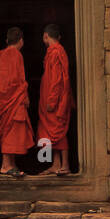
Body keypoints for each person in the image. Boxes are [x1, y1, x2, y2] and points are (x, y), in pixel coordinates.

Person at [0, 26, 33, 177]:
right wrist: (24, 95)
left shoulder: (0, 54)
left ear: (7, 40)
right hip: (14, 99)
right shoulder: (15, 54)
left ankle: (11, 164)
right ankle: (6, 165)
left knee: (9, 129)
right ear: (21, 41)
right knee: (13, 130)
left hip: (5, 99)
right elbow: (18, 79)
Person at [36, 23, 73, 176]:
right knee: (48, 131)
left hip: (56, 101)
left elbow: (58, 79)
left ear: (46, 36)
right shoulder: (53, 51)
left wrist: (52, 101)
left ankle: (65, 165)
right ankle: (55, 164)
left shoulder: (56, 52)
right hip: (50, 100)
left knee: (58, 131)